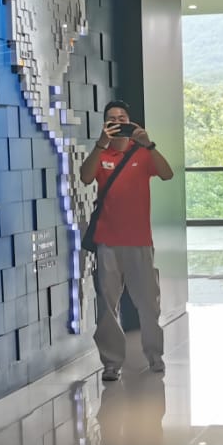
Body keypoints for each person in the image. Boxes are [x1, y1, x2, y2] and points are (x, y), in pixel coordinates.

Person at [79, 103, 175, 383]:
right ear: (105, 124)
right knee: (107, 306)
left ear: (131, 121)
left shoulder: (142, 153)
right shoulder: (102, 153)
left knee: (148, 304)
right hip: (107, 243)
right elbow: (85, 177)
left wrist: (149, 144)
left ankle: (155, 356)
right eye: (112, 119)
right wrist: (100, 144)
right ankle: (111, 363)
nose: (118, 122)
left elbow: (167, 174)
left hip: (139, 242)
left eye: (122, 118)